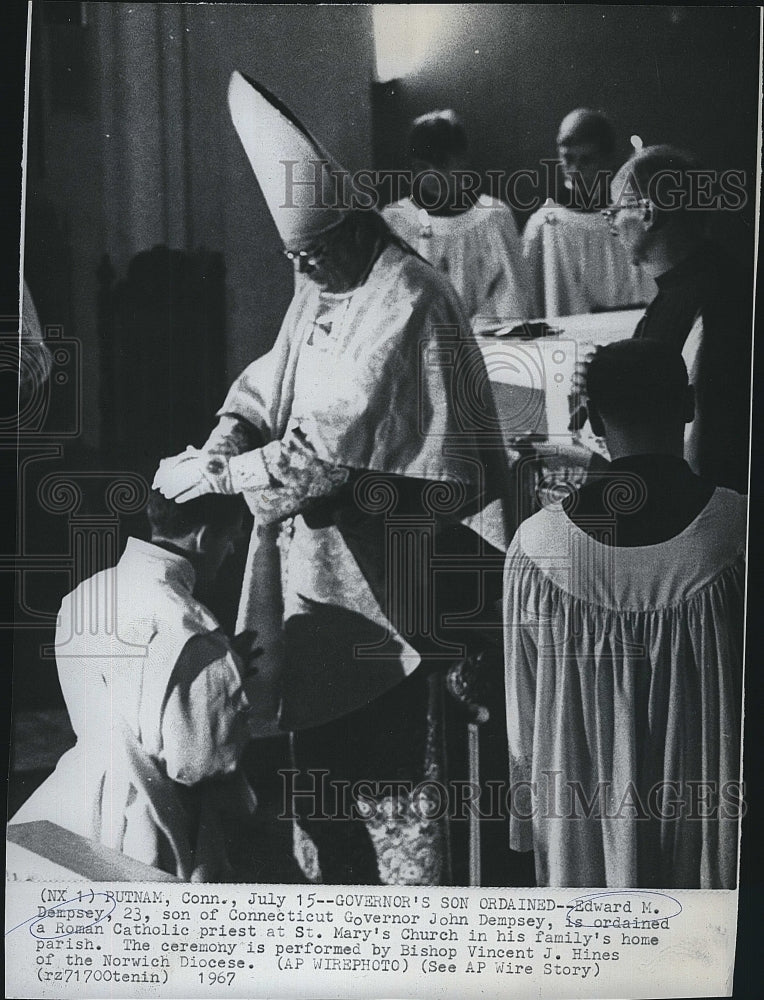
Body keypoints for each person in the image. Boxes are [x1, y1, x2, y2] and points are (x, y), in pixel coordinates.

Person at [154, 72, 515, 886]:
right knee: (323, 770)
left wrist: (222, 471)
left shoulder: (406, 299)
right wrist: (231, 427)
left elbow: (322, 453)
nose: (305, 270)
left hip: (400, 567)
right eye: (293, 259)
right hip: (320, 574)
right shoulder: (322, 282)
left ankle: (411, 921)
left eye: (314, 254)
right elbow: (268, 378)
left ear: (352, 230)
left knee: (391, 772)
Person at [503, 339, 745, 889]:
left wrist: (529, 828)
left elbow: (525, 715)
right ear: (688, 405)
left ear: (586, 419)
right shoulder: (739, 530)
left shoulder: (538, 547)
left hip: (581, 829)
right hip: (712, 821)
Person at [10, 490, 264, 881]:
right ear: (204, 537)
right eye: (231, 538)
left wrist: (216, 670)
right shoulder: (188, 624)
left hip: (76, 797)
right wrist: (226, 691)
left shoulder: (87, 593)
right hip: (150, 822)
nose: (231, 552)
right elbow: (197, 764)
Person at [604, 143, 753, 493]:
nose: (610, 226)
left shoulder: (715, 301)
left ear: (649, 214)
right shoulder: (692, 287)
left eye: (614, 212)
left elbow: (705, 448)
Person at [382, 109, 532, 327]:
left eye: (441, 163)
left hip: (484, 340)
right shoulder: (397, 220)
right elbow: (390, 297)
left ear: (462, 160)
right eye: (422, 167)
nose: (431, 175)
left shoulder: (493, 217)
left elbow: (510, 291)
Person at [523, 108, 654, 317]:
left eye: (586, 160)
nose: (574, 170)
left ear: (608, 159)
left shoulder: (634, 219)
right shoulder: (544, 226)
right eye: (568, 159)